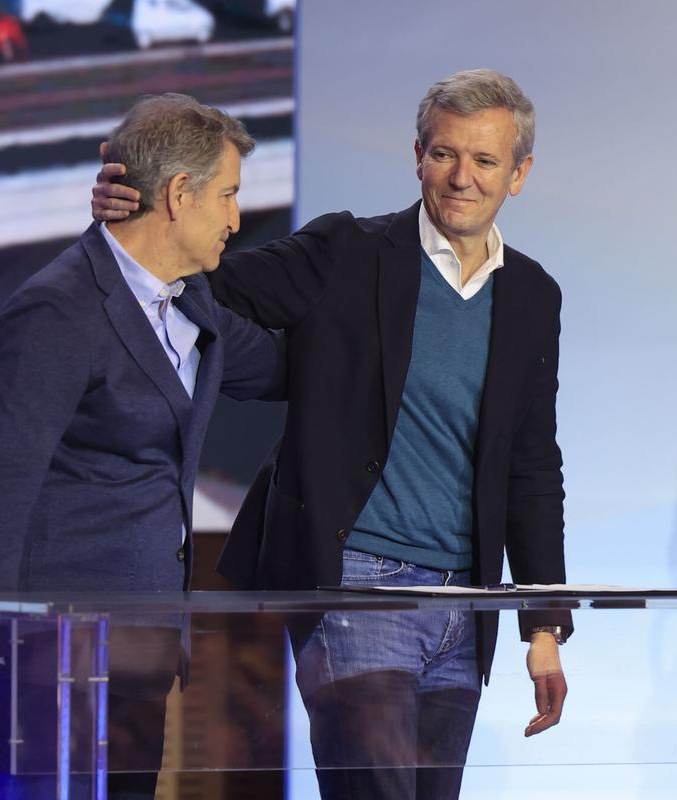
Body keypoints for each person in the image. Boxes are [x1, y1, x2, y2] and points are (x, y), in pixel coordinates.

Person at [92, 69, 571, 800]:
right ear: (418, 155)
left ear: (519, 174)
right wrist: (128, 229)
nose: (461, 178)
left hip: (464, 607)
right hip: (358, 587)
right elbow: (202, 283)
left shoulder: (533, 294)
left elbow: (532, 464)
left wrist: (542, 624)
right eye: (444, 154)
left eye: (484, 161)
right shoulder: (349, 250)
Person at [0, 92, 285, 798]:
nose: (236, 218)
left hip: (136, 658)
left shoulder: (192, 302)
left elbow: (289, 366)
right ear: (180, 194)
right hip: (43, 666)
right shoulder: (55, 312)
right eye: (228, 196)